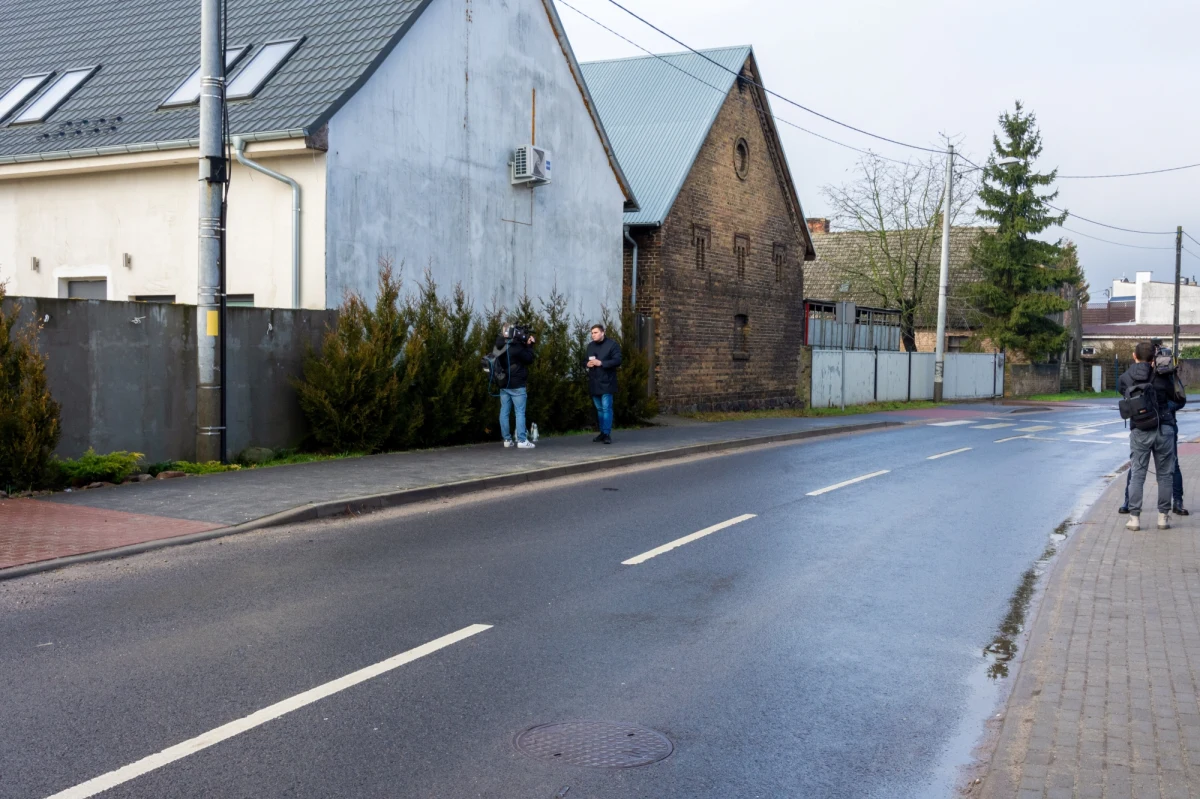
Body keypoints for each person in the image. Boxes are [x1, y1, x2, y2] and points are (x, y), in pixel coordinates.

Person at [1118, 341, 1184, 530]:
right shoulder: (1163, 375)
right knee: (1165, 475)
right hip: (1164, 428)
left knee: (1138, 473)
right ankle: (1163, 517)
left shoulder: (1125, 378)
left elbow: (1125, 396)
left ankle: (1134, 519)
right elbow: (1176, 397)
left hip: (1140, 429)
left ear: (1134, 356)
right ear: (1154, 356)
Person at [1119, 396, 1187, 515]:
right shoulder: (1135, 377)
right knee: (1139, 470)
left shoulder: (1166, 376)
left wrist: (1162, 407)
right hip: (1145, 425)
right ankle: (1130, 501)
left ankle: (1177, 501)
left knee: (1169, 467)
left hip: (1161, 425)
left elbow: (1180, 399)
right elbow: (1126, 395)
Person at [496, 324, 536, 449]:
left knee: (504, 411)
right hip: (517, 384)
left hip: (503, 383)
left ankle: (507, 439)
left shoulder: (499, 345)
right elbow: (529, 359)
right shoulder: (516, 347)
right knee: (519, 412)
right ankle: (522, 440)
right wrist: (530, 346)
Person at [585, 323, 622, 444]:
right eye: (592, 333)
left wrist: (601, 363)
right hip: (594, 382)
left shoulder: (612, 345)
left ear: (603, 332)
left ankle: (606, 433)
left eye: (595, 333)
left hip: (607, 382)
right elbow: (585, 360)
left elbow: (617, 360)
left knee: (606, 408)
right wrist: (587, 364)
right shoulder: (590, 346)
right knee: (599, 409)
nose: (593, 335)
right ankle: (602, 432)